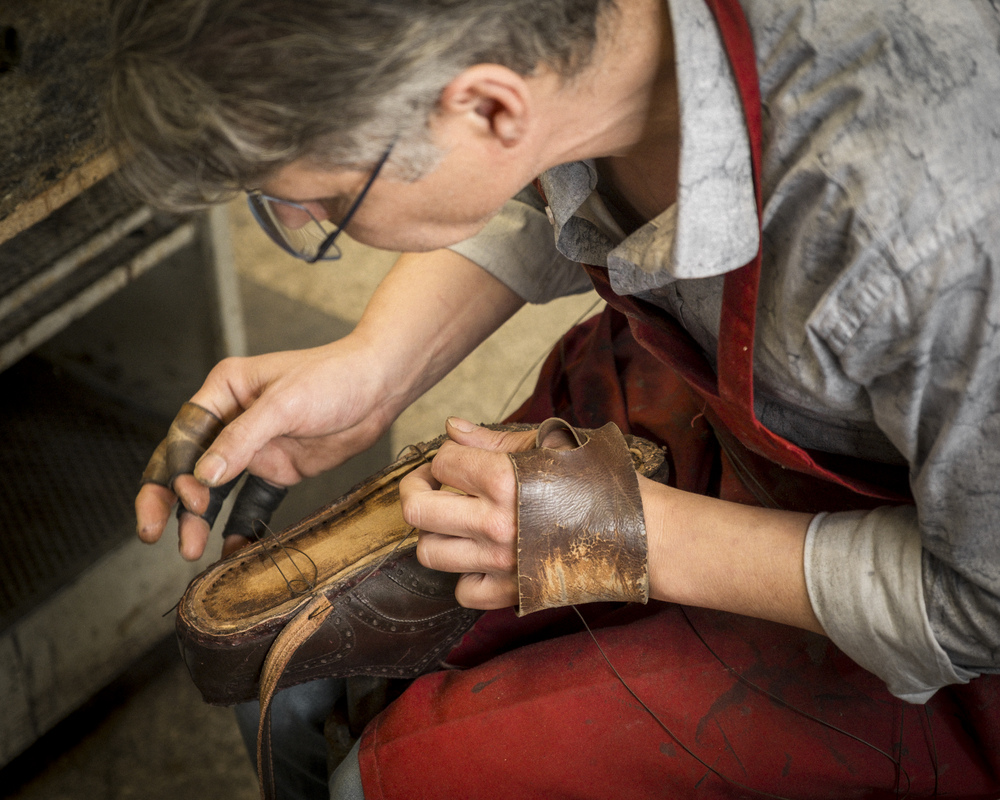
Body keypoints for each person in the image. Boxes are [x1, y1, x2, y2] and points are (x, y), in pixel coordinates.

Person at [106, 0, 1000, 797]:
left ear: (491, 108)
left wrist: (626, 539)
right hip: (710, 398)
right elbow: (545, 169)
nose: (307, 221)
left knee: (391, 779)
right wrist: (374, 364)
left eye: (323, 201)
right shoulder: (569, 48)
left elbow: (980, 606)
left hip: (915, 600)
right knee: (286, 667)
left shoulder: (929, 233)